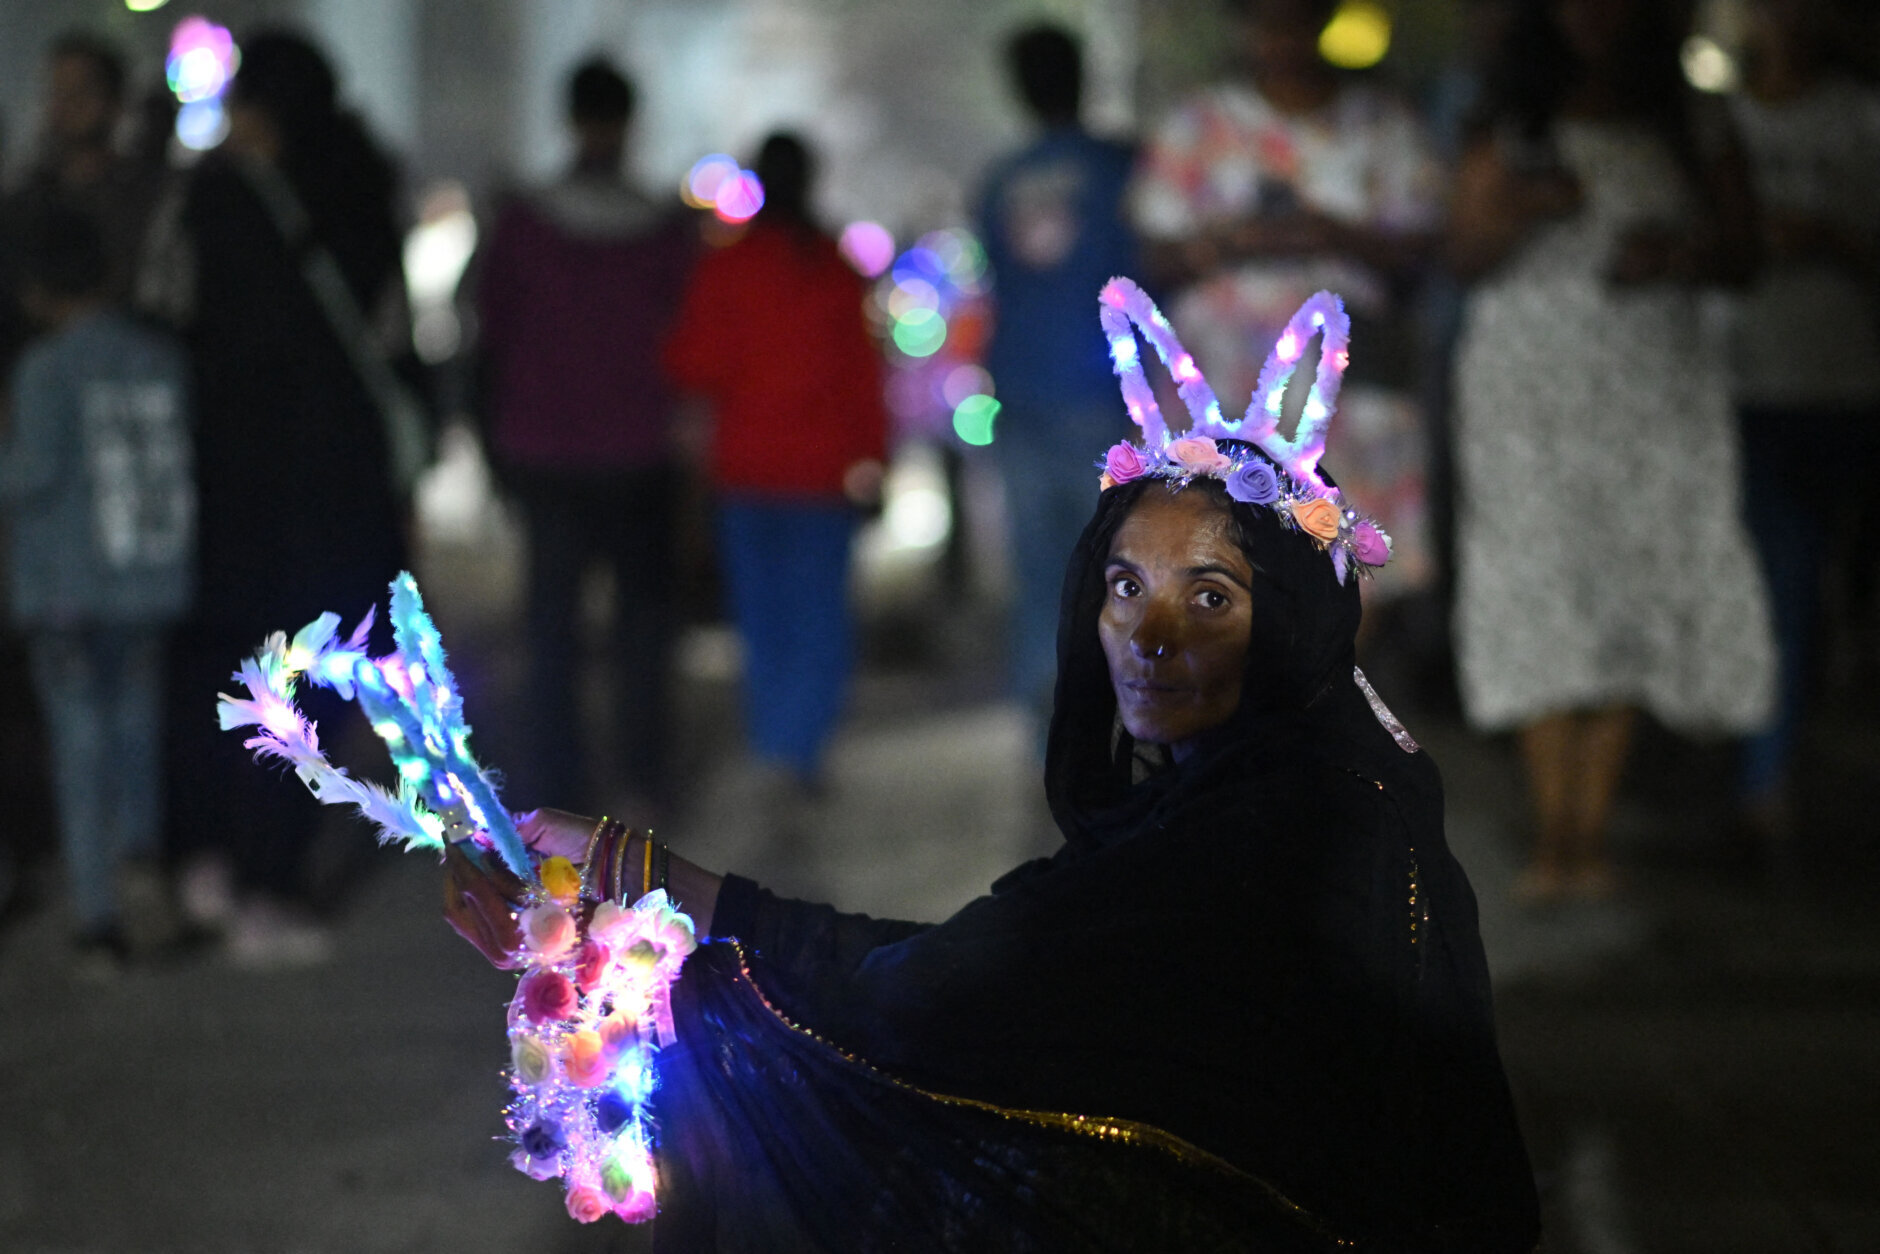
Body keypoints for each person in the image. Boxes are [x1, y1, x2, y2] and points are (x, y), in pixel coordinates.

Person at [451, 287, 1540, 1250]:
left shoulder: (1272, 828)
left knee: (785, 1086)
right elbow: (987, 967)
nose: (1149, 633)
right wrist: (643, 877)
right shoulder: (1279, 781)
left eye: (1209, 596)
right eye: (1123, 586)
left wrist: (649, 970)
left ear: (1296, 620)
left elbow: (943, 1001)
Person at [1447, 0, 1777, 902]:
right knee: (1538, 582)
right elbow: (1461, 252)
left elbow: (1746, 252)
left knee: (1625, 582)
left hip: (1650, 381)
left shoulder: (1691, 122)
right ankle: (1553, 836)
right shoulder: (1509, 122)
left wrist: (1680, 257)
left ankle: (1585, 835)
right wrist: (1521, 209)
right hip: (1526, 388)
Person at [143, 30, 423, 966]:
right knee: (318, 677)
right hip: (338, 485)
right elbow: (389, 325)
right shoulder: (360, 183)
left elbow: (174, 320)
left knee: (220, 672)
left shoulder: (215, 195)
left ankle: (212, 861)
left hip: (232, 482)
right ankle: (270, 874)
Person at [1128, 0, 1443, 607]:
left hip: (1348, 383)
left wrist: (1333, 234)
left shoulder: (1381, 123)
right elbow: (1153, 254)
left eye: (1294, 18)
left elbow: (1427, 247)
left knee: (1352, 549)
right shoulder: (1200, 124)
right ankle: (1258, 697)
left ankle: (1333, 692)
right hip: (1228, 386)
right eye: (1264, 20)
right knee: (1233, 552)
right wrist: (1230, 241)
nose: (1280, 37)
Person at [471, 58, 696, 819]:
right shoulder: (666, 229)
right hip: (641, 451)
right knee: (641, 628)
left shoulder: (525, 225)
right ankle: (643, 772)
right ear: (629, 121)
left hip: (545, 451)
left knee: (552, 629)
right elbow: (689, 346)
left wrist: (491, 444)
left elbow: (489, 337)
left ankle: (558, 782)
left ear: (569, 118)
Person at [661, 133, 886, 798]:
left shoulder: (726, 268)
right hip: (823, 473)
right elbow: (862, 378)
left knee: (763, 619)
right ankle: (802, 745)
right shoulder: (836, 269)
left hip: (747, 472)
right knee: (820, 615)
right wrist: (874, 461)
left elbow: (693, 363)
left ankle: (774, 747)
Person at [0, 206, 193, 974]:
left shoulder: (46, 368)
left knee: (79, 743)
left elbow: (32, 474)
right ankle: (142, 858)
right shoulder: (159, 357)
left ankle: (99, 917)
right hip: (150, 577)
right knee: (137, 729)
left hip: (67, 586)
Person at [1724, 0, 1880, 847]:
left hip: (1844, 382)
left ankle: (1778, 753)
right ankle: (1763, 776)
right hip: (1741, 380)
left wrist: (1829, 240)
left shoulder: (1861, 121)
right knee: (1774, 579)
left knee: (1816, 585)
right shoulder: (1724, 121)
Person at [976, 24, 1140, 734]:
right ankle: (1125, 730)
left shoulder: (999, 185)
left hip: (1021, 399)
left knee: (1041, 577)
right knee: (1120, 572)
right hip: (1106, 401)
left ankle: (1050, 742)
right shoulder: (1122, 169)